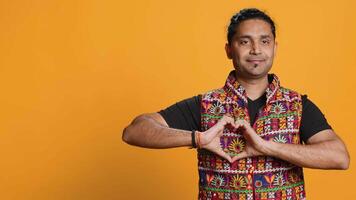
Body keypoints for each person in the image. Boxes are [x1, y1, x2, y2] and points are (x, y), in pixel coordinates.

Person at [122, 8, 349, 200]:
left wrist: (266, 147)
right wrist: (198, 138)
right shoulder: (204, 105)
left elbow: (339, 158)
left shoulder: (298, 105)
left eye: (264, 41)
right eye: (244, 41)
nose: (256, 50)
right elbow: (134, 131)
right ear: (229, 49)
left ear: (274, 48)